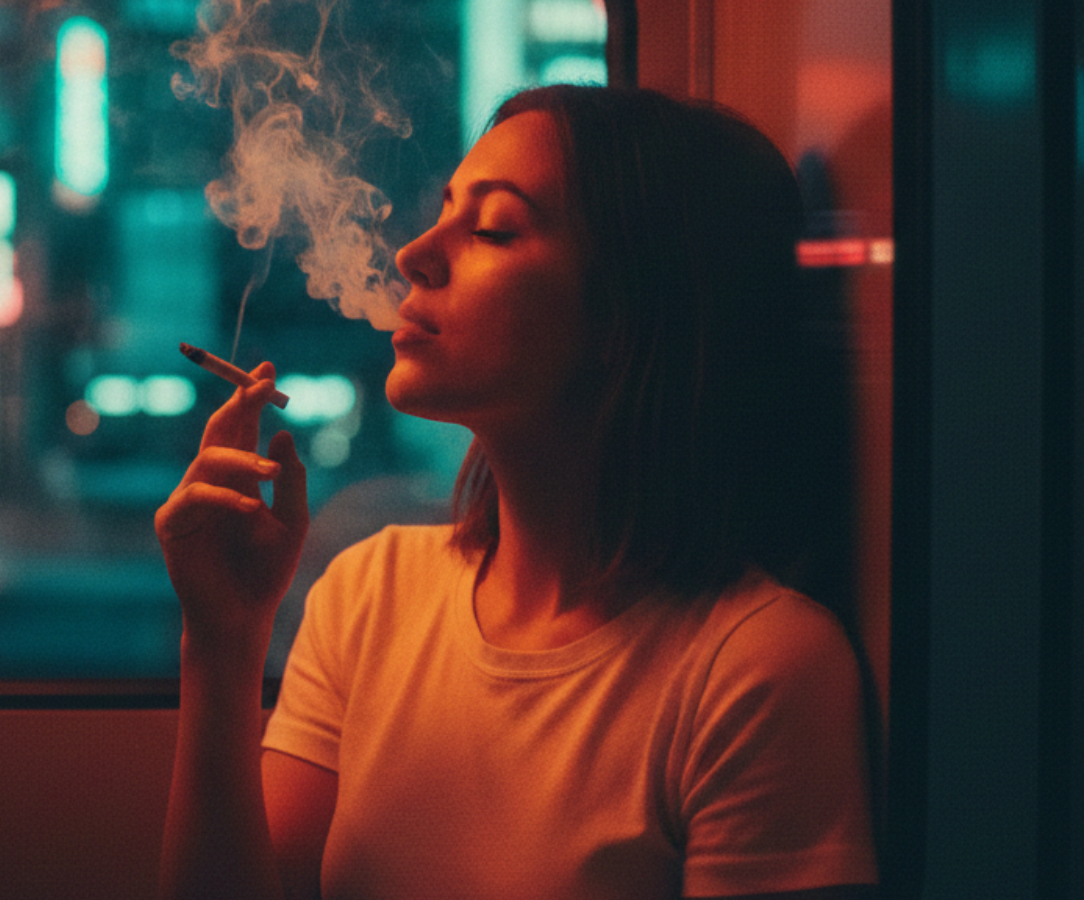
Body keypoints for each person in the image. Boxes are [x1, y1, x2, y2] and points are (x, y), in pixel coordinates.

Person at [155, 85, 877, 900]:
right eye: (443, 212)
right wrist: (220, 640)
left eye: (494, 229)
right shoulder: (368, 592)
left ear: (629, 315)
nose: (413, 254)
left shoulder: (755, 668)